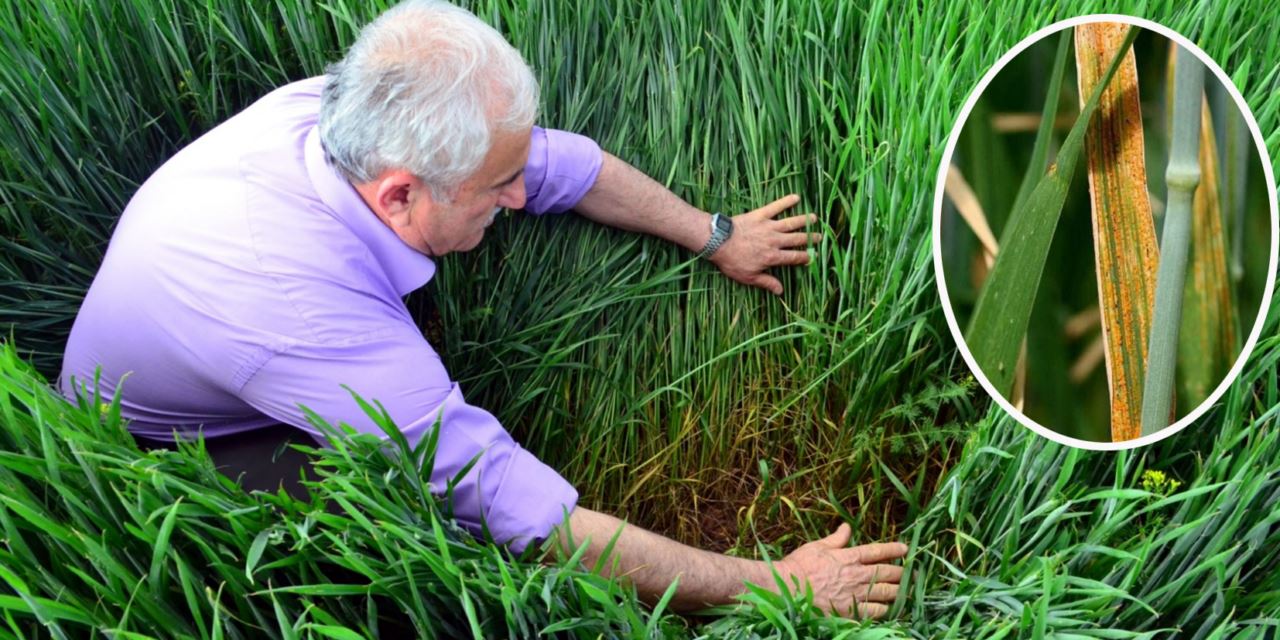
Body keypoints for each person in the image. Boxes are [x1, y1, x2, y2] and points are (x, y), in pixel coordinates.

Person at [59, 0, 906, 618]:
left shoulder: (356, 116)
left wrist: (715, 234)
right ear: (398, 195)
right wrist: (779, 584)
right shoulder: (306, 317)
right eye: (496, 189)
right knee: (422, 544)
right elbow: (518, 507)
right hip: (165, 449)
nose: (519, 194)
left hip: (215, 321)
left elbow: (557, 166)